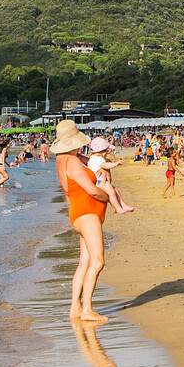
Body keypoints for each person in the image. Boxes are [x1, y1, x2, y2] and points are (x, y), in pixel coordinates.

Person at [52, 118, 111, 322]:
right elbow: (91, 190)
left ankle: (75, 307)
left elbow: (89, 162)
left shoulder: (62, 160)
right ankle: (87, 309)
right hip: (87, 213)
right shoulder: (72, 161)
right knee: (98, 261)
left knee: (84, 262)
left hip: (78, 212)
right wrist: (108, 197)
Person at [87, 136, 134, 215]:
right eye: (106, 151)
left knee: (115, 190)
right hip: (99, 181)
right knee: (111, 192)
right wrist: (115, 164)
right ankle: (118, 208)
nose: (107, 153)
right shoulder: (98, 159)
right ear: (101, 151)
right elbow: (105, 165)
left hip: (99, 180)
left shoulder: (93, 157)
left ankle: (123, 205)